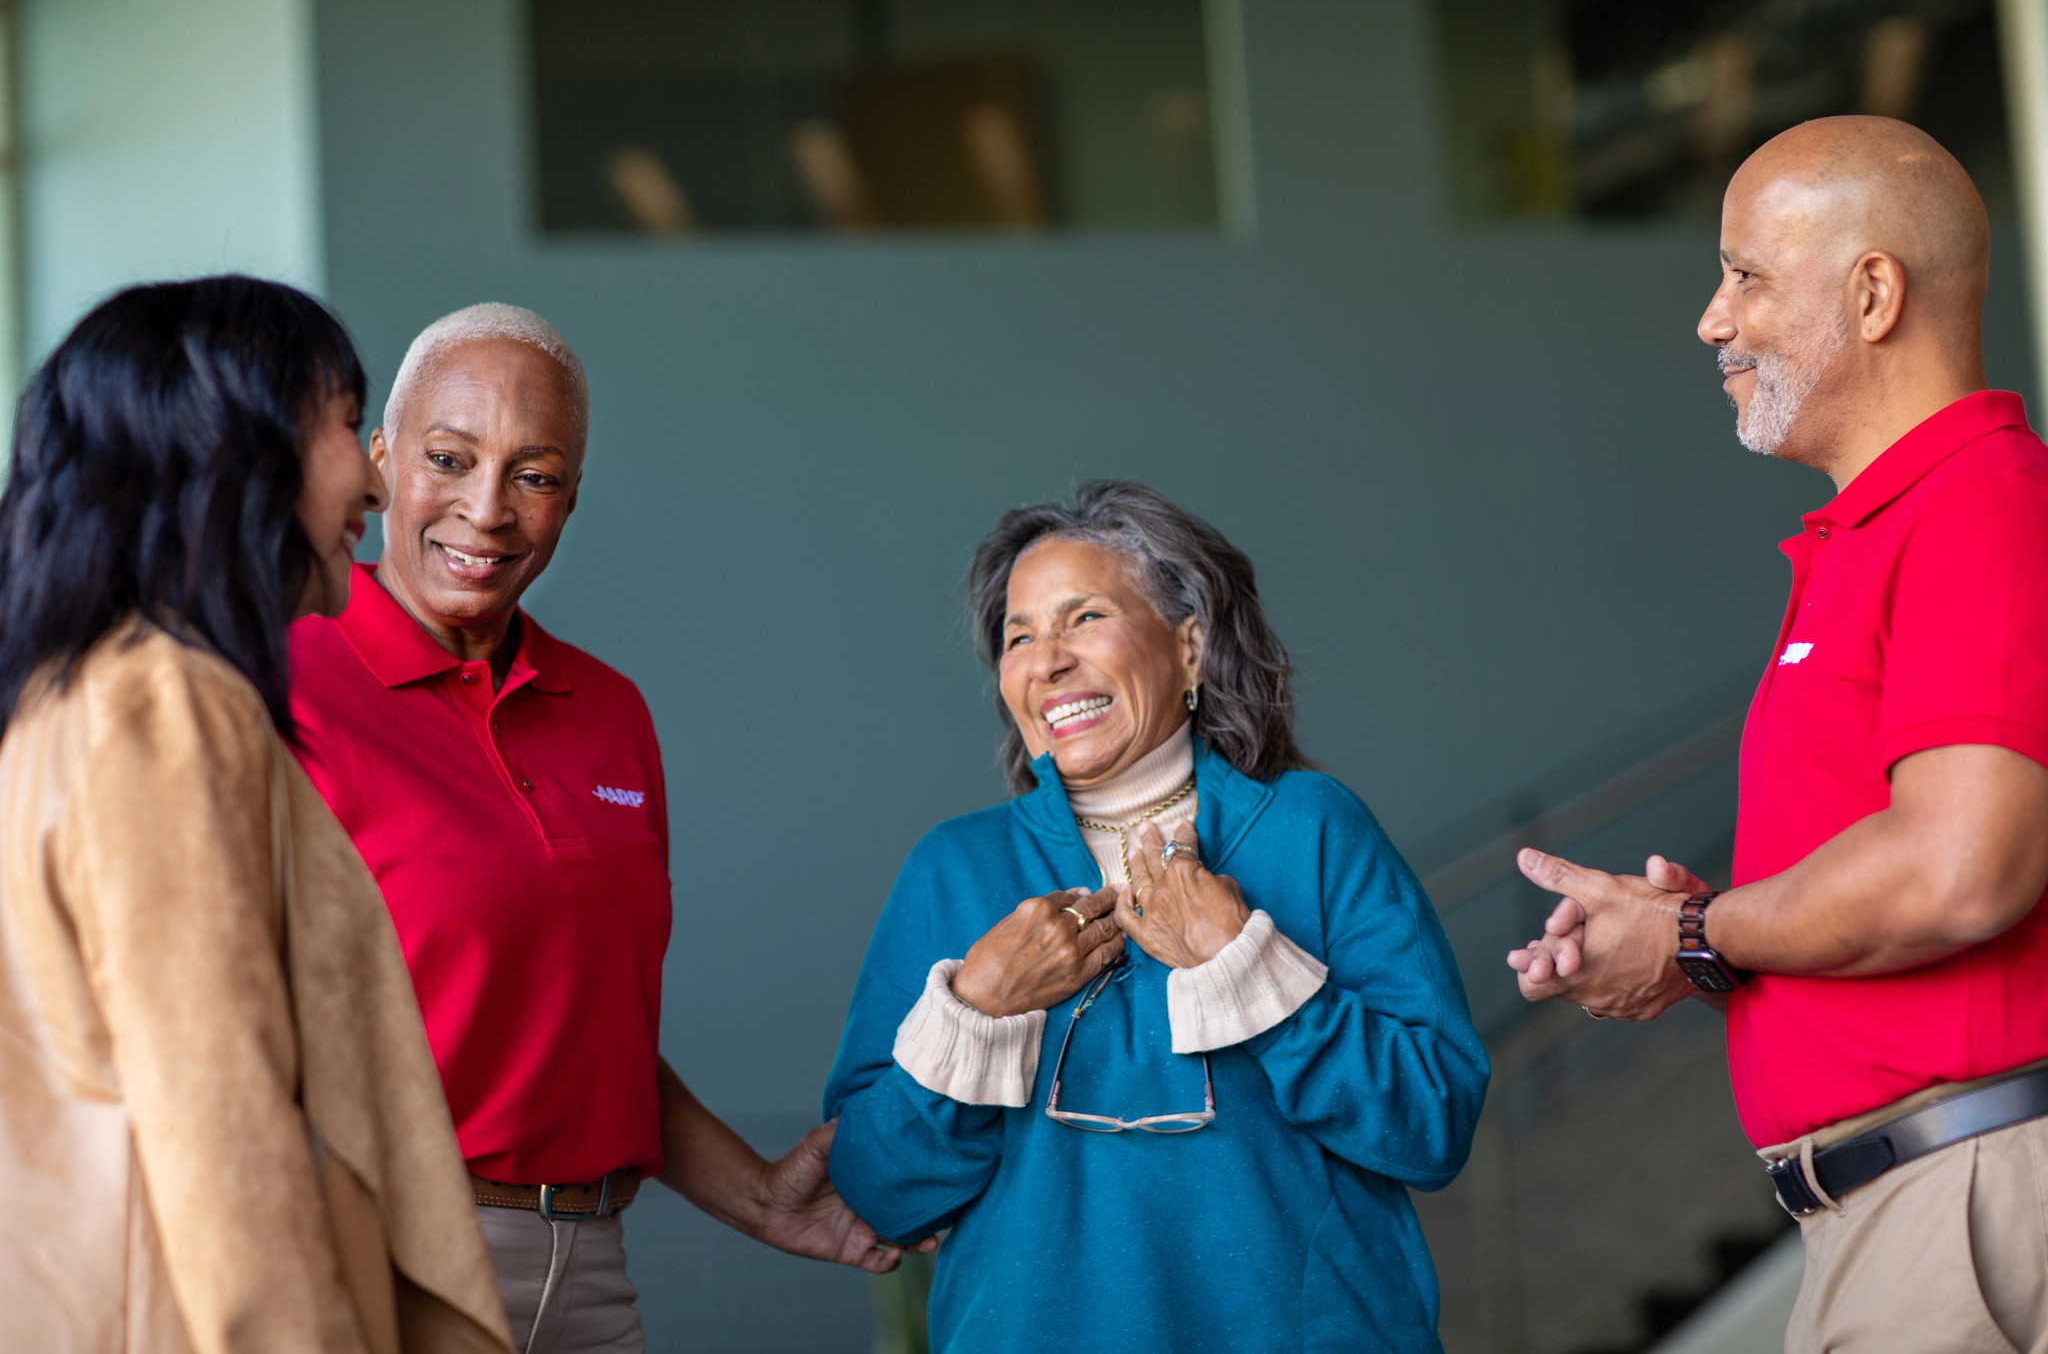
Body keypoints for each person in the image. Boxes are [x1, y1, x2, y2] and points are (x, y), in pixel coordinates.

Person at [1507, 116, 2048, 1354]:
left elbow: (1958, 870)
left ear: (1872, 294)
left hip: (1959, 1205)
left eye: (1745, 275)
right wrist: (1690, 944)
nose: (1712, 319)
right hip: (1896, 1208)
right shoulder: (1878, 534)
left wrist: (1694, 930)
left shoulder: (1977, 509)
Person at [289, 304, 918, 1354]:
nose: (486, 509)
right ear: (381, 461)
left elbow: (579, 1031)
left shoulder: (608, 710)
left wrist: (761, 1196)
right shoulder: (286, 681)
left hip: (589, 1264)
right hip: (378, 1255)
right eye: (447, 459)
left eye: (534, 476)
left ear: (570, 499)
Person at [825, 480, 1488, 1353]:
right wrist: (974, 1008)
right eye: (1019, 637)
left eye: (1085, 617)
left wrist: (1247, 963)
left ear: (1189, 645)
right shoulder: (953, 870)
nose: (1046, 660)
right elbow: (878, 1192)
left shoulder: (1315, 829)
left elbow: (1433, 1126)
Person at [0, 276, 511, 1351]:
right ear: (235, 450)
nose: (375, 480)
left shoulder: (74, 698)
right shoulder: (164, 704)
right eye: (344, 422)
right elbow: (220, 1121)